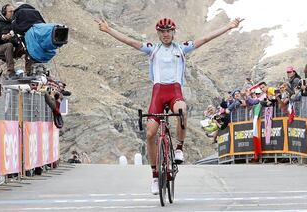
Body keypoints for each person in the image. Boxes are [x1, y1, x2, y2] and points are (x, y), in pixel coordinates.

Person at [97, 16, 243, 195]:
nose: (166, 34)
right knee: (150, 134)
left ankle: (179, 149)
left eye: (169, 31)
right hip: (158, 94)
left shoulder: (181, 49)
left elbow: (205, 39)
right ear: (158, 33)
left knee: (182, 111)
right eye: (162, 31)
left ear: (174, 32)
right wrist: (108, 29)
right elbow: (130, 42)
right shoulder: (153, 49)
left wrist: (229, 26)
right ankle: (155, 176)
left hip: (175, 92)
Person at [0, 4, 24, 79]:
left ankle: (29, 71)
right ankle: (11, 72)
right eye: (10, 12)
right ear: (4, 12)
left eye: (13, 11)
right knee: (9, 45)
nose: (12, 13)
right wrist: (3, 37)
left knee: (26, 45)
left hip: (12, 45)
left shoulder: (13, 23)